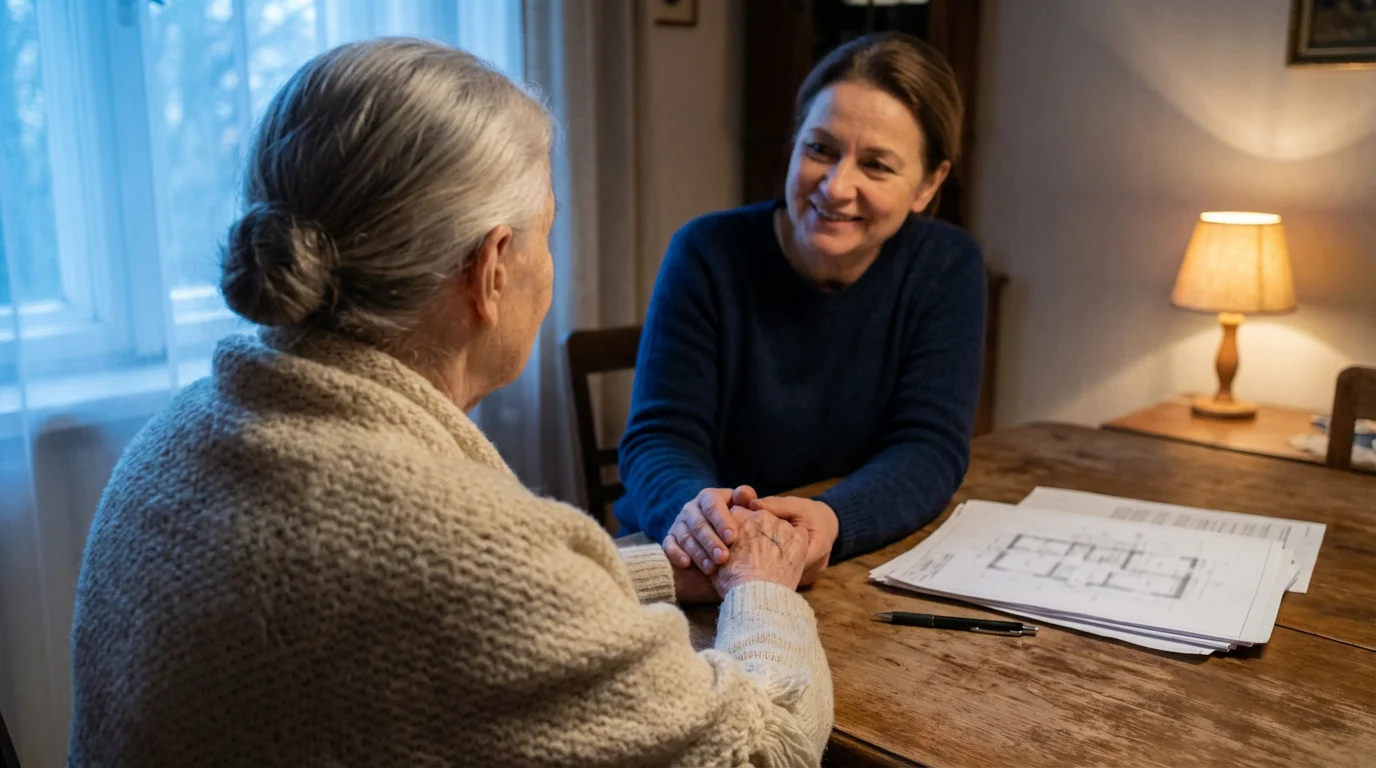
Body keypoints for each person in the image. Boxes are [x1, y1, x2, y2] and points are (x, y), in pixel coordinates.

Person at [68, 39, 831, 767]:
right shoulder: (453, 549)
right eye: (547, 232)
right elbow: (769, 748)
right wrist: (761, 589)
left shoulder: (173, 441)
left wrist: (661, 573)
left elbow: (393, 613)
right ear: (493, 267)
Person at [616, 33, 985, 586]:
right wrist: (700, 518)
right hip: (691, 560)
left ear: (928, 184)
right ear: (793, 144)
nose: (837, 187)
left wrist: (833, 519)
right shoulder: (707, 252)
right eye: (820, 149)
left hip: (838, 563)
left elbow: (928, 446)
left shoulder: (947, 265)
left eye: (877, 165)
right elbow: (659, 437)